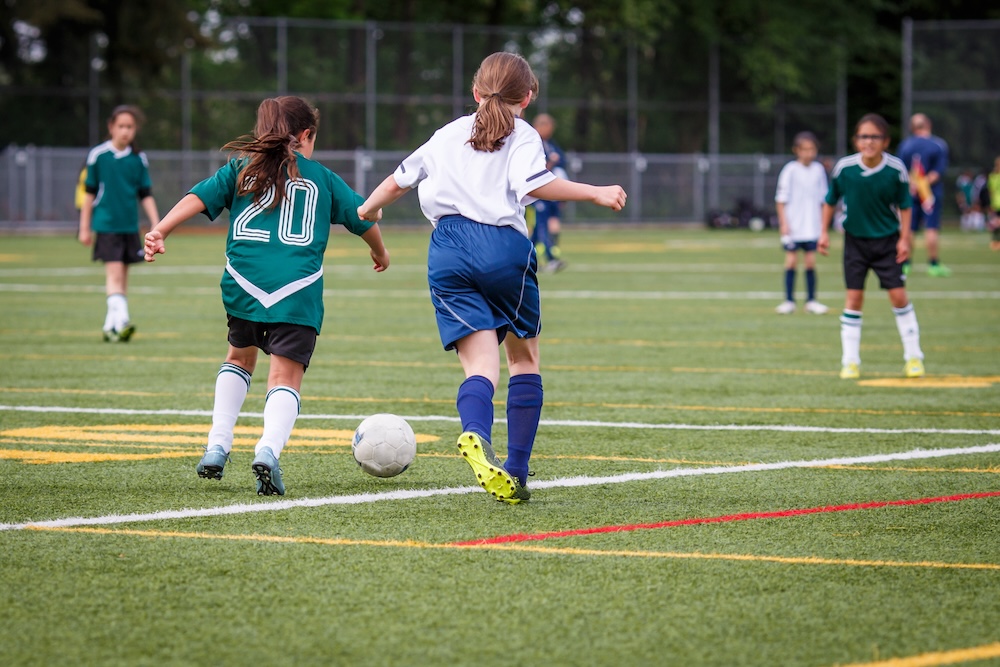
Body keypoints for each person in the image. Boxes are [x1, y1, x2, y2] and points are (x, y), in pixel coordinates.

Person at [356, 52, 626, 504]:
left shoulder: (446, 134)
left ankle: (476, 432)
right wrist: (594, 192)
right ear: (530, 95)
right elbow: (533, 185)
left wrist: (368, 209)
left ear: (476, 93)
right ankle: (516, 471)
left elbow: (397, 180)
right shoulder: (523, 134)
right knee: (523, 359)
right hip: (502, 248)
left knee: (480, 366)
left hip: (446, 250)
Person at [143, 96, 390, 496]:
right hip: (297, 290)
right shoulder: (323, 178)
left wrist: (161, 230)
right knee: (285, 375)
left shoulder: (241, 168)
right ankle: (268, 451)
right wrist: (380, 251)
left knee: (238, 357)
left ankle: (217, 445)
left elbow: (197, 198)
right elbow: (363, 217)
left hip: (242, 282)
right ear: (306, 135)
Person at [819, 113, 925, 380]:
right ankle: (850, 362)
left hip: (887, 241)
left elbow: (905, 206)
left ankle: (914, 358)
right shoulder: (845, 168)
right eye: (863, 136)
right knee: (854, 299)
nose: (869, 142)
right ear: (856, 140)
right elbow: (830, 200)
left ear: (885, 141)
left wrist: (904, 238)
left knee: (898, 296)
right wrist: (823, 232)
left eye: (874, 137)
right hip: (855, 242)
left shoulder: (895, 169)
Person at [78, 105, 161, 342]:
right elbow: (89, 194)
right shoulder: (98, 156)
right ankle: (123, 320)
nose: (125, 131)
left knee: (122, 277)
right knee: (114, 276)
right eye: (121, 126)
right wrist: (84, 228)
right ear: (111, 127)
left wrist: (157, 224)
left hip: (129, 227)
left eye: (130, 127)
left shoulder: (138, 158)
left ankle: (109, 327)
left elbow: (145, 194)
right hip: (106, 226)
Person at [774, 131, 829, 315]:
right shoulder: (790, 170)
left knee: (810, 262)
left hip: (811, 225)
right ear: (796, 150)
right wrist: (784, 223)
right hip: (793, 225)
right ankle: (789, 301)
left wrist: (823, 226)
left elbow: (824, 200)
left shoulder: (818, 170)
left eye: (812, 149)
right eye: (804, 149)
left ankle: (811, 301)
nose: (808, 153)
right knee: (790, 261)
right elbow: (781, 199)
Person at [896, 113, 951, 276]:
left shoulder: (905, 145)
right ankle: (933, 265)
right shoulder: (938, 144)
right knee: (931, 227)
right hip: (930, 195)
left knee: (909, 228)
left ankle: (905, 263)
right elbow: (937, 172)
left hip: (910, 192)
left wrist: (913, 184)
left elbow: (901, 170)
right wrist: (924, 185)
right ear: (928, 124)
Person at [531, 112, 568, 272]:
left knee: (542, 228)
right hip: (538, 192)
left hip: (551, 193)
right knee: (541, 225)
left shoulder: (551, 144)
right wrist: (550, 163)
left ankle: (528, 259)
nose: (550, 130)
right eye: (548, 127)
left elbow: (563, 160)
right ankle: (551, 259)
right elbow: (535, 170)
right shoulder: (532, 142)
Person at [986, 156, 1000, 251]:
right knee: (996, 223)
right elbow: (991, 191)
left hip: (996, 202)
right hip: (996, 203)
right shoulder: (993, 176)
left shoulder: (992, 176)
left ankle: (995, 241)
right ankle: (995, 241)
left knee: (996, 223)